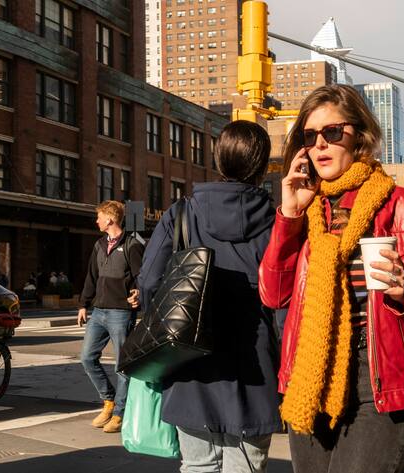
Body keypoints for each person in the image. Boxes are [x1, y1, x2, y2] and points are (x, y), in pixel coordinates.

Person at [258, 84, 404, 473]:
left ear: (360, 135)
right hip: (310, 376)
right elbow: (274, 294)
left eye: (332, 132)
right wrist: (288, 217)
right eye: (309, 136)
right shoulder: (304, 208)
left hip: (381, 382)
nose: (320, 145)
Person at [139, 121, 282, 472]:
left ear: (218, 160)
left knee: (198, 466)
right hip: (256, 367)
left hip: (191, 362)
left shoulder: (182, 213)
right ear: (263, 166)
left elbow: (148, 282)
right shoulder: (280, 221)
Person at [78, 201, 143, 434]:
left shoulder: (132, 245)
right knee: (87, 357)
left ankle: (120, 413)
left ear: (110, 220)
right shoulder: (99, 245)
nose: (96, 221)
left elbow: (141, 277)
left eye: (99, 217)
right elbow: (91, 277)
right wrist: (84, 304)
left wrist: (138, 293)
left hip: (121, 312)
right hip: (99, 311)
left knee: (122, 365)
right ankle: (109, 400)